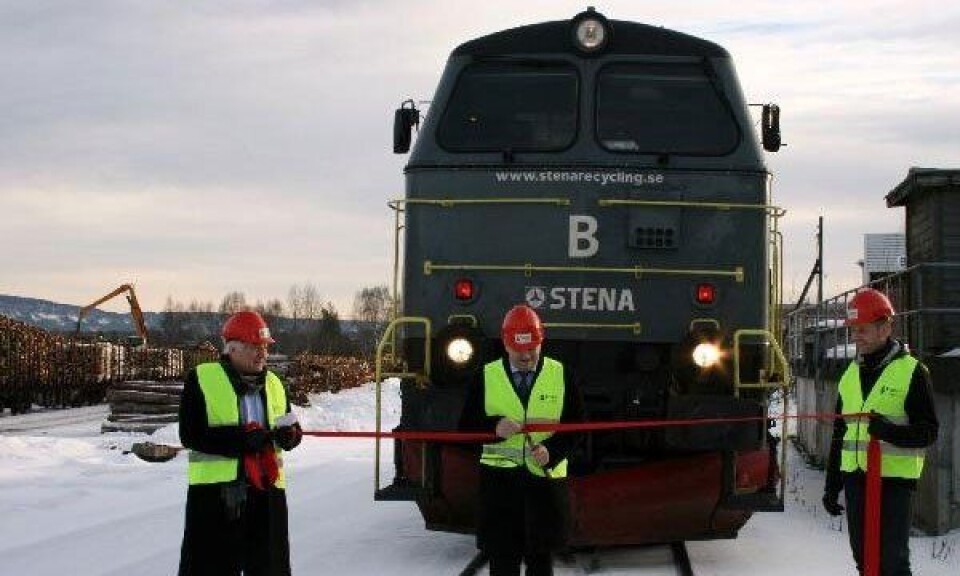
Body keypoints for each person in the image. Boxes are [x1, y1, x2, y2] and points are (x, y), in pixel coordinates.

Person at [459, 304, 583, 576]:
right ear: (506, 344)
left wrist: (552, 451)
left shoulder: (562, 375)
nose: (527, 357)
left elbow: (577, 429)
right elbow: (464, 429)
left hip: (545, 489)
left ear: (541, 342)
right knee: (503, 565)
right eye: (520, 351)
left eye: (532, 350)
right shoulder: (485, 376)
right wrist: (494, 427)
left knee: (541, 565)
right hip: (500, 492)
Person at [822, 288, 938, 576]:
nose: (856, 336)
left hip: (895, 482)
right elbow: (841, 432)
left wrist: (886, 431)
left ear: (885, 327)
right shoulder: (849, 375)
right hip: (856, 480)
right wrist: (832, 484)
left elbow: (928, 431)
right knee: (864, 561)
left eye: (863, 329)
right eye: (853, 330)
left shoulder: (912, 372)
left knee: (892, 563)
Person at [178, 310, 304, 576]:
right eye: (254, 347)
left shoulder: (274, 383)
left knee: (269, 567)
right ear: (232, 349)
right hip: (217, 497)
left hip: (266, 491)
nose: (263, 354)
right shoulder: (202, 379)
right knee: (211, 567)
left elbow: (289, 426)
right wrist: (241, 440)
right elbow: (191, 435)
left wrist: (291, 436)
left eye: (265, 348)